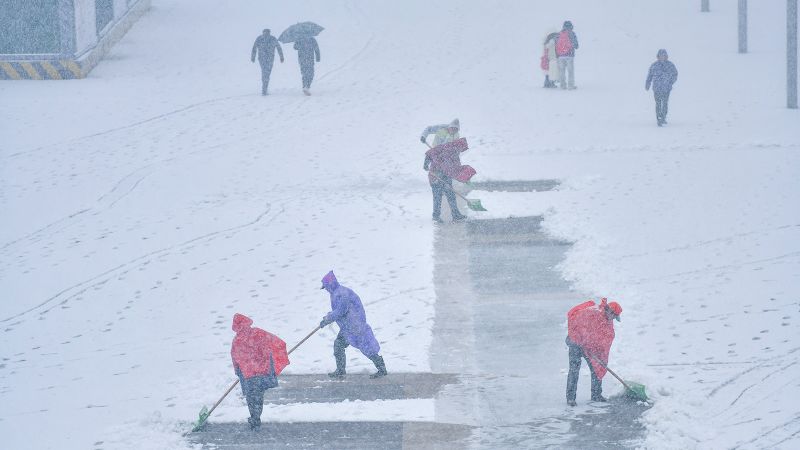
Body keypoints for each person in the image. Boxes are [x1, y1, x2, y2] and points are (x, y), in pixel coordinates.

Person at [319, 270, 387, 379]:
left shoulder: (342, 293)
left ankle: (382, 369)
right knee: (339, 345)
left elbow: (341, 311)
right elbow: (337, 311)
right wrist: (327, 318)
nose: (326, 289)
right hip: (347, 327)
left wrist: (328, 319)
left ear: (330, 284)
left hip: (355, 326)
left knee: (366, 347)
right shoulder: (336, 293)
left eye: (326, 286)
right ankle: (341, 370)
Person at [231, 313, 289, 429]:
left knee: (250, 397)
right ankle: (256, 417)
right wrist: (275, 354)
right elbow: (276, 342)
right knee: (258, 396)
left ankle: (254, 417)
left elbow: (235, 356)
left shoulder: (237, 340)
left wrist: (237, 370)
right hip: (262, 372)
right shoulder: (258, 333)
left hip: (248, 375)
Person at [565, 298, 622, 406]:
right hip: (575, 343)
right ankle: (570, 398)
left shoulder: (607, 321)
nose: (613, 319)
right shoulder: (592, 312)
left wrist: (597, 351)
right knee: (574, 370)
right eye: (614, 316)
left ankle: (596, 395)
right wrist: (580, 340)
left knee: (597, 369)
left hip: (590, 347)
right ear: (610, 311)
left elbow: (605, 337)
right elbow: (575, 321)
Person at [420, 119, 466, 223]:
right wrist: (424, 136)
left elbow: (455, 154)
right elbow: (429, 130)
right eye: (452, 128)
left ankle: (456, 215)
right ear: (449, 126)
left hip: (446, 168)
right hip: (436, 169)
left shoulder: (455, 138)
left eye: (455, 129)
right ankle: (436, 217)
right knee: (437, 193)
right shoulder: (441, 130)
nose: (453, 131)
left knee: (450, 193)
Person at [645, 49, 678, 126]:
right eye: (660, 56)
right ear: (658, 56)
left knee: (665, 103)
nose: (662, 57)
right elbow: (649, 76)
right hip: (656, 88)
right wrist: (647, 84)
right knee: (658, 103)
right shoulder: (654, 65)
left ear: (666, 56)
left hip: (666, 88)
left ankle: (663, 117)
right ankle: (659, 118)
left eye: (663, 56)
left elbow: (675, 74)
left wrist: (670, 82)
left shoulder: (670, 65)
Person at [250, 29, 284, 96]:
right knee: (266, 73)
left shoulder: (260, 38)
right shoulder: (271, 38)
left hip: (263, 59)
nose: (266, 33)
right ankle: (264, 88)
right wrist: (281, 56)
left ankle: (264, 87)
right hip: (268, 59)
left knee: (265, 72)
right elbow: (278, 47)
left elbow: (254, 48)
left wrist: (253, 57)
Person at [555, 21, 579, 90]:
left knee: (562, 71)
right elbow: (576, 46)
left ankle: (563, 86)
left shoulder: (559, 34)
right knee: (570, 71)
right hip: (569, 55)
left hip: (560, 56)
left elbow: (556, 45)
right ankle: (570, 86)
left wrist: (558, 54)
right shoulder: (572, 34)